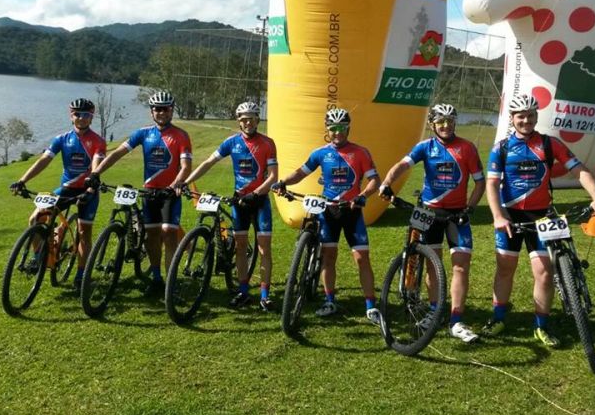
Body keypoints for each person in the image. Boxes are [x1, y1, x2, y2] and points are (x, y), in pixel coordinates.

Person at [483, 94, 595, 347]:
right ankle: (498, 317)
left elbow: (579, 169)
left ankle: (541, 325)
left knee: (543, 272)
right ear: (512, 119)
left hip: (543, 215)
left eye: (530, 116)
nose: (526, 121)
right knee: (505, 268)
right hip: (510, 215)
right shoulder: (502, 148)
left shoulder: (550, 144)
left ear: (536, 117)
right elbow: (492, 183)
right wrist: (498, 216)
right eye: (521, 116)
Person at [379, 103, 486, 343]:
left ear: (455, 122)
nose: (446, 125)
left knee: (460, 266)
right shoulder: (424, 147)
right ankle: (435, 311)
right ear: (432, 124)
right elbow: (402, 166)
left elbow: (480, 183)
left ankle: (456, 320)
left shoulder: (467, 148)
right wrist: (386, 183)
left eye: (449, 120)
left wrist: (470, 207)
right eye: (440, 121)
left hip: (457, 214)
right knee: (431, 265)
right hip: (429, 212)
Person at [272, 108, 382, 325]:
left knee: (362, 259)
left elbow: (374, 180)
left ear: (348, 128)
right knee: (328, 257)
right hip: (328, 211)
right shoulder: (320, 153)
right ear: (327, 130)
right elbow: (301, 172)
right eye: (333, 128)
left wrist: (362, 195)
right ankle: (329, 300)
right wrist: (283, 182)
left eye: (342, 128)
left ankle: (371, 306)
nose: (338, 132)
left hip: (351, 211)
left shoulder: (360, 152)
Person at [87, 91, 191, 296]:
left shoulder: (181, 135)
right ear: (152, 112)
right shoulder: (143, 133)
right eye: (157, 109)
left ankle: (170, 283)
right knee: (151, 237)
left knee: (169, 234)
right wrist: (96, 172)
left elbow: (186, 165)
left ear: (171, 110)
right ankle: (156, 278)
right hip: (150, 193)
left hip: (169, 193)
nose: (161, 113)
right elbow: (118, 153)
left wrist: (176, 183)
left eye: (165, 109)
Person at [184, 101, 278, 310]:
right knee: (240, 247)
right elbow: (208, 162)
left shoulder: (267, 143)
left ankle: (265, 295)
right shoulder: (231, 142)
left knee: (264, 249)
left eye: (252, 118)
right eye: (244, 119)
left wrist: (255, 194)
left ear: (257, 120)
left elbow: (273, 177)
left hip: (259, 201)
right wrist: (186, 181)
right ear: (239, 121)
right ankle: (243, 292)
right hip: (239, 201)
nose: (248, 123)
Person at [10, 98, 106, 290]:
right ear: (71, 116)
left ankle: (81, 275)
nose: (81, 118)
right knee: (36, 218)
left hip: (88, 190)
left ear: (91, 118)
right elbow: (44, 160)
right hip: (66, 189)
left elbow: (97, 163)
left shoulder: (97, 141)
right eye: (77, 114)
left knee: (83, 232)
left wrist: (92, 183)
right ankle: (39, 258)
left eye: (86, 115)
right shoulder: (62, 139)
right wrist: (23, 180)